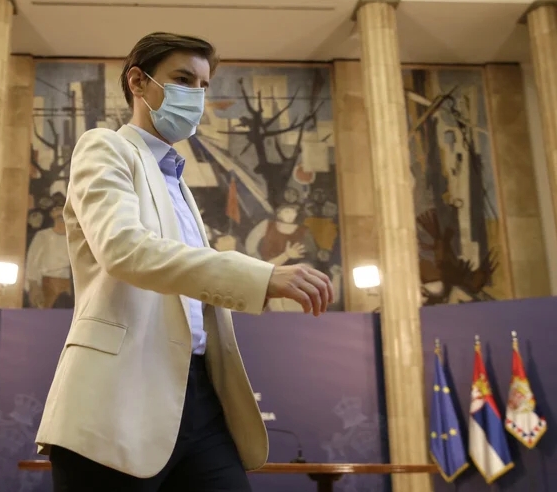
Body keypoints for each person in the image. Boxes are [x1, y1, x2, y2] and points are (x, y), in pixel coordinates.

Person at [34, 32, 334, 492]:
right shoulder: (105, 147)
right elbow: (125, 249)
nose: (196, 95)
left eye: (203, 85)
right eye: (182, 79)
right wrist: (261, 275)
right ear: (138, 82)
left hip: (199, 394)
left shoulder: (178, 182)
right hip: (117, 394)